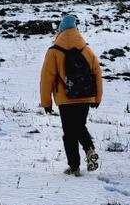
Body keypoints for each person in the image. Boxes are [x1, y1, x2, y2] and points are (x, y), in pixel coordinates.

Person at [39, 14, 103, 175]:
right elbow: (97, 73)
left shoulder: (54, 51)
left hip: (65, 99)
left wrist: (46, 103)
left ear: (60, 31)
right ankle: (89, 149)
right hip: (86, 96)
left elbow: (47, 78)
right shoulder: (86, 50)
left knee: (69, 133)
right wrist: (97, 97)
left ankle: (74, 167)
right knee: (80, 126)